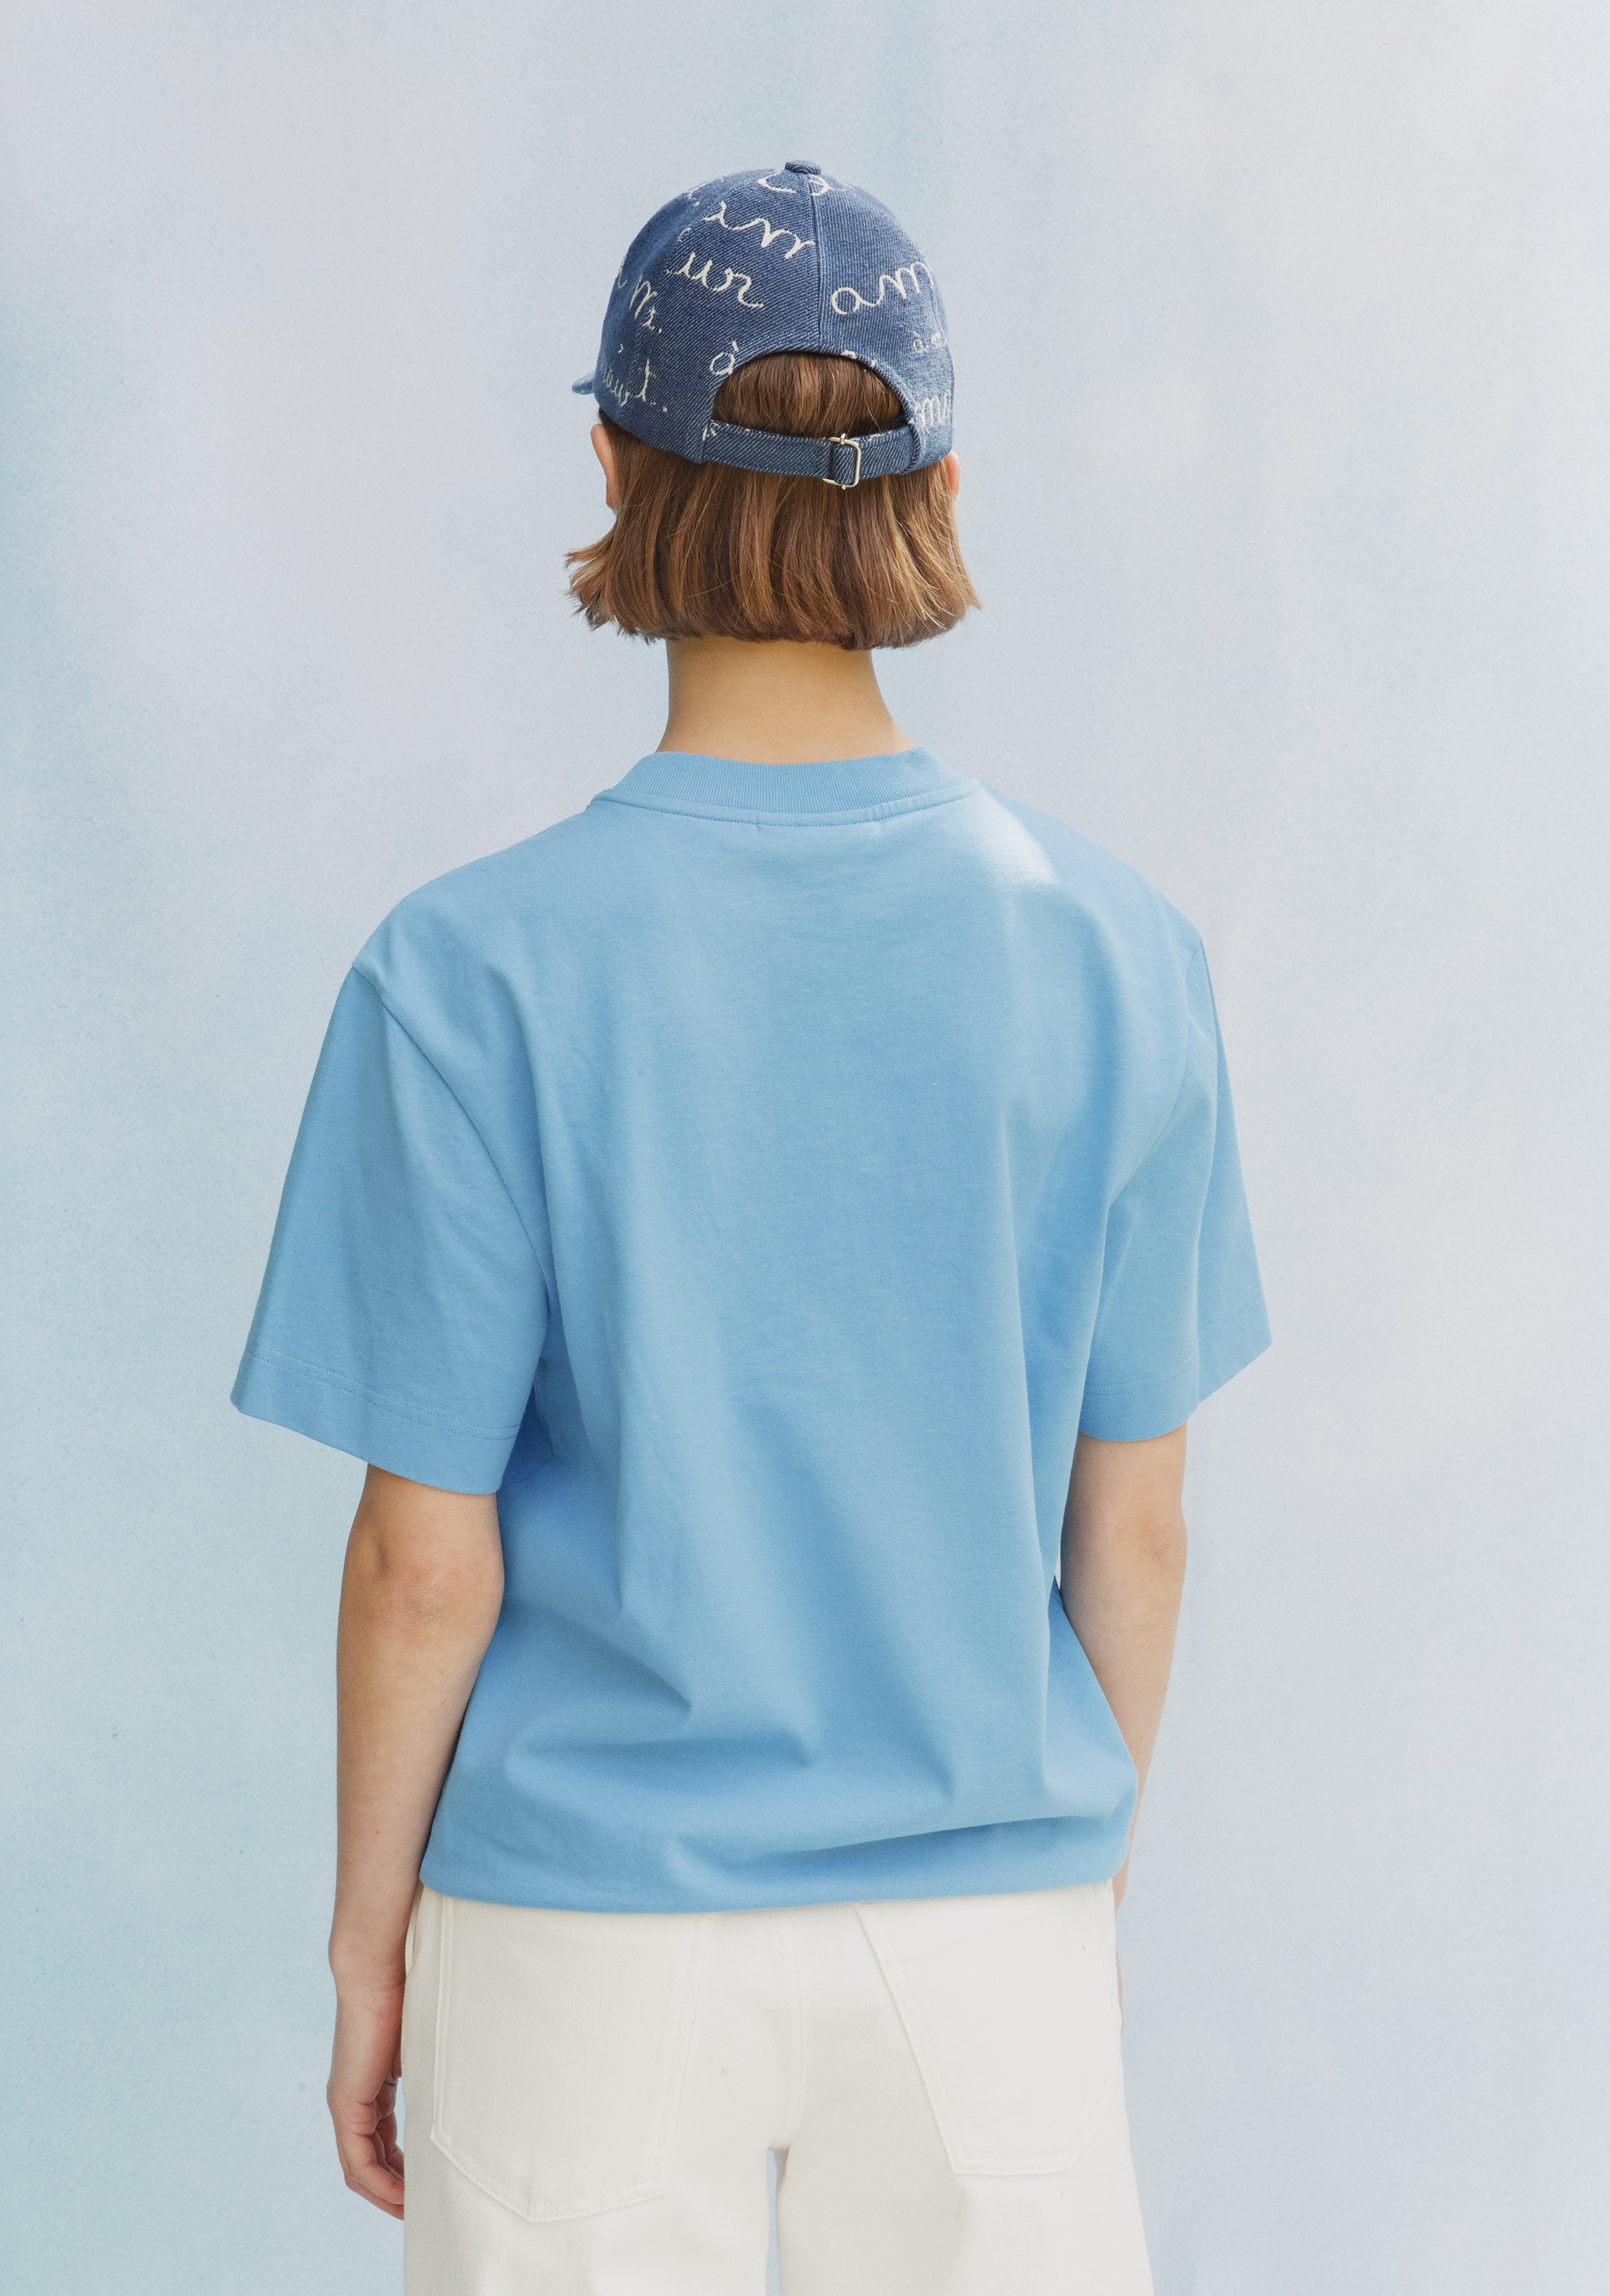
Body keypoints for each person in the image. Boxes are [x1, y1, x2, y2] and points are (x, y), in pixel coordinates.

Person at [232, 161, 1270, 2296]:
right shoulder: (1120, 955)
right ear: (943, 488)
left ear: (617, 467)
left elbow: (425, 1564)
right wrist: (1067, 1877)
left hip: (583, 1930)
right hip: (987, 1923)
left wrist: (369, 1946)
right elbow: (1139, 1529)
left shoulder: (466, 974)